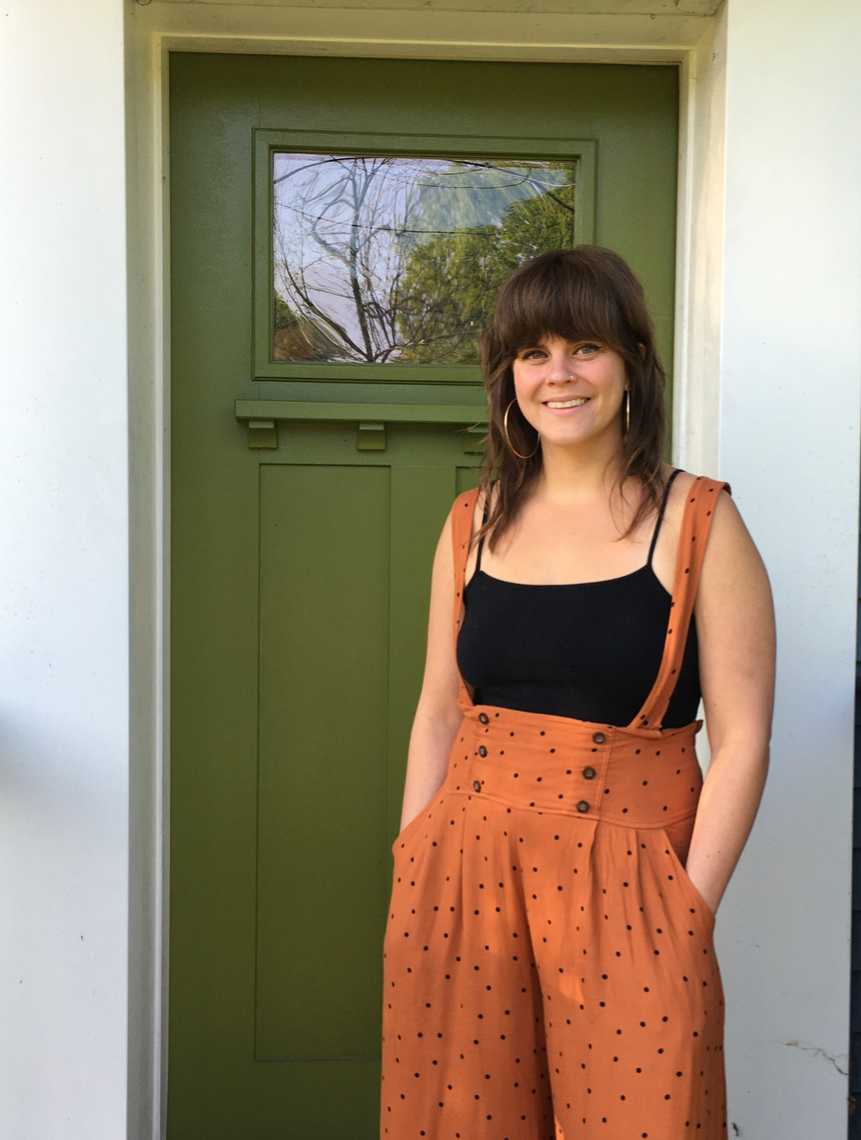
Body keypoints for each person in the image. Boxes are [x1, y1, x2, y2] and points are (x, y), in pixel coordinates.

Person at [381, 247, 775, 1140]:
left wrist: (690, 906)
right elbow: (439, 710)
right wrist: (412, 857)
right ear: (506, 378)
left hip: (635, 877)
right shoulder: (469, 523)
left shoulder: (699, 521)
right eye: (531, 353)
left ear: (631, 365)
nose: (557, 375)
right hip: (462, 869)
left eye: (584, 348)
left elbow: (743, 736)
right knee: (462, 1120)